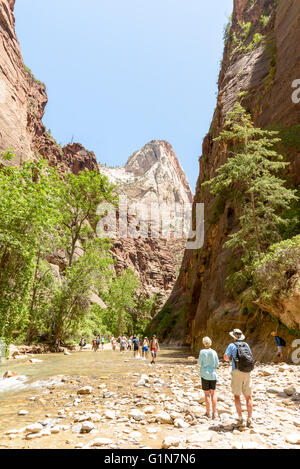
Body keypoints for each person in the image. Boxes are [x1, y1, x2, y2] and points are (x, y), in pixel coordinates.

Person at [224, 329, 255, 428]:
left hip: (237, 371)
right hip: (247, 372)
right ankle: (250, 419)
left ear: (233, 337)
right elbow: (250, 356)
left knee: (237, 396)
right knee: (248, 397)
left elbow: (225, 357)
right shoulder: (246, 345)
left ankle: (241, 419)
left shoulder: (231, 345)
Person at [198, 337, 219, 420]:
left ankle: (208, 413)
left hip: (204, 375)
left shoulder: (202, 352)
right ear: (210, 343)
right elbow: (217, 364)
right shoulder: (214, 352)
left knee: (207, 395)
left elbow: (199, 363)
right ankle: (214, 413)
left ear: (204, 343)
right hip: (213, 375)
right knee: (213, 394)